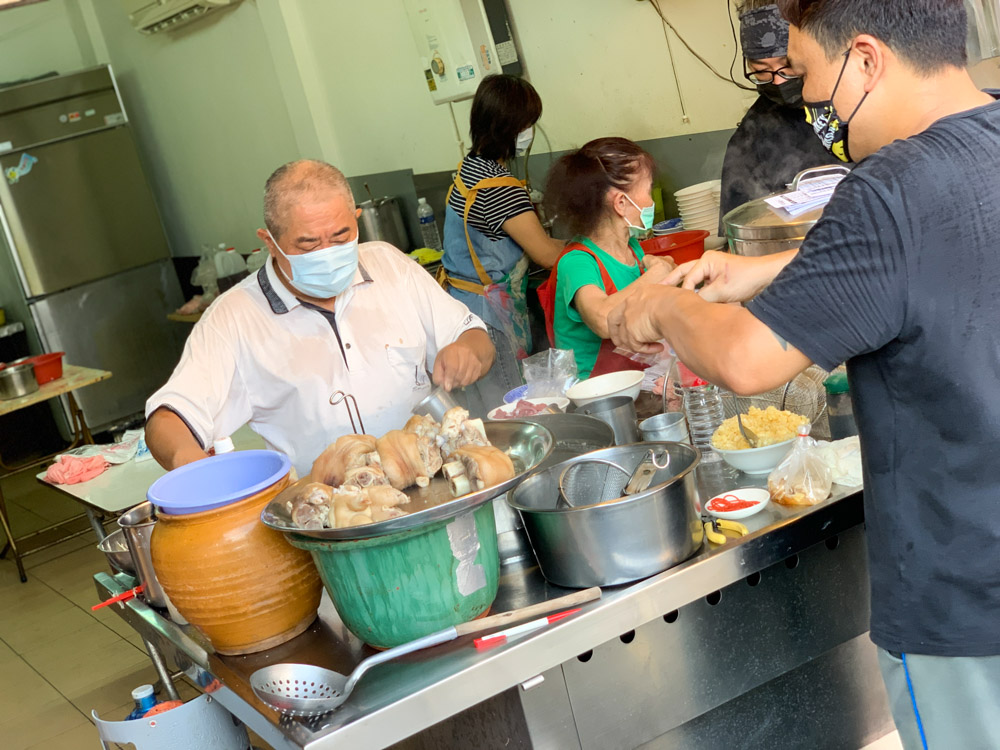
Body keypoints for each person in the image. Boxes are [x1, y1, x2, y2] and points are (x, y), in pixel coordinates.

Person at [608, 2, 999, 748]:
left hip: (963, 599)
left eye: (813, 80)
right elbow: (926, 252)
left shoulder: (890, 186)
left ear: (866, 58)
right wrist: (759, 273)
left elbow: (745, 362)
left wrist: (660, 304)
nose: (812, 106)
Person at [146, 160, 494, 476]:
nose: (328, 253)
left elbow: (475, 338)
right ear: (270, 242)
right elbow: (168, 418)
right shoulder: (234, 319)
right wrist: (189, 463)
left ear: (356, 219)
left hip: (431, 482)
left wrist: (468, 351)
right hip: (328, 517)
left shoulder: (391, 266)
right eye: (309, 245)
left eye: (341, 236)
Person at [441, 74, 564, 411]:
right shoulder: (498, 186)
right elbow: (547, 253)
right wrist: (596, 247)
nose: (531, 131)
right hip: (490, 317)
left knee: (491, 408)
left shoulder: (472, 167)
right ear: (507, 127)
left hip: (465, 307)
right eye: (527, 123)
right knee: (510, 411)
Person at [541, 137, 674, 379]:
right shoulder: (578, 261)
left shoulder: (633, 249)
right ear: (621, 203)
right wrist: (657, 275)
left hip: (636, 383)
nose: (652, 201)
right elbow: (602, 319)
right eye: (648, 190)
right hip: (596, 396)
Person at [718, 1, 841, 231]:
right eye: (762, 71)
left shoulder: (855, 108)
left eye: (787, 67)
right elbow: (742, 227)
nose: (778, 82)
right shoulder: (750, 139)